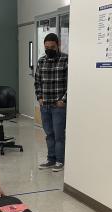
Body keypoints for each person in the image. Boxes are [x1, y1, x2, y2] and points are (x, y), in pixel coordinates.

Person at [35, 33, 68, 172]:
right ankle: (51, 158)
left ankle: (60, 161)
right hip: (45, 105)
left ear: (58, 45)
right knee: (49, 134)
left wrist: (63, 100)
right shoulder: (41, 61)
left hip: (58, 106)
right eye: (46, 47)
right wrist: (40, 98)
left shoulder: (66, 60)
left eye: (52, 47)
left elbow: (71, 83)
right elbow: (37, 82)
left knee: (59, 135)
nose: (49, 49)